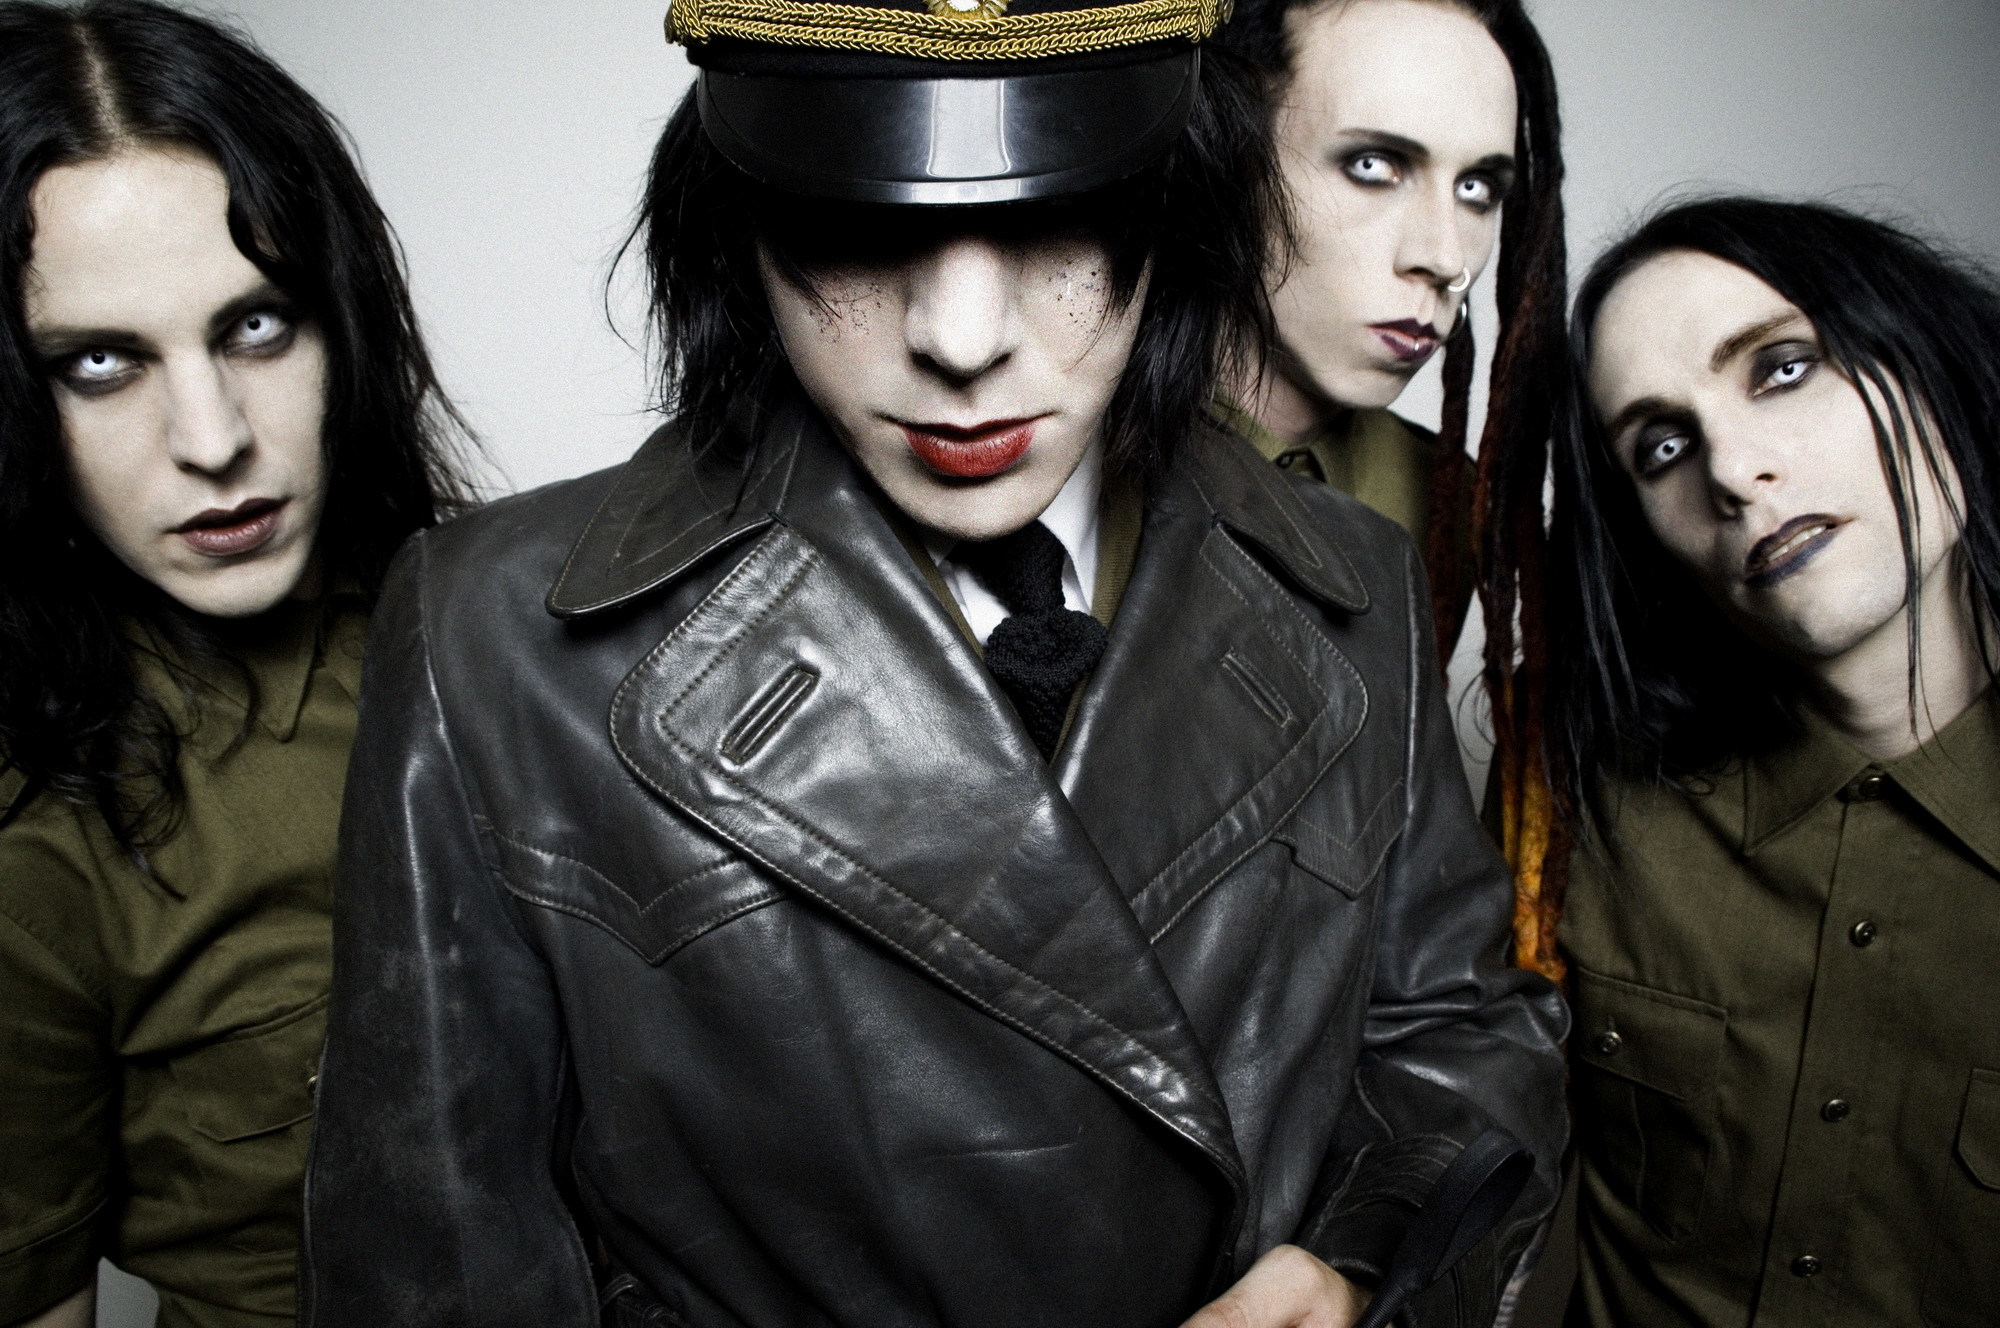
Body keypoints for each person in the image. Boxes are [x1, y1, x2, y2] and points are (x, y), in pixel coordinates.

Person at [300, 1, 1567, 1325]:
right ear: (739, 222)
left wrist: (1353, 1268)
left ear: (1173, 214)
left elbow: (1461, 1034)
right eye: (859, 226)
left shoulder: (1353, 582)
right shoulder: (489, 632)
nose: (961, 340)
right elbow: (432, 1268)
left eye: (1059, 220)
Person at [0, 3, 474, 1326]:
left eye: (257, 325)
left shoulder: (516, 621)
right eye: (100, 362)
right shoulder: (37, 829)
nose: (211, 439)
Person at [1546, 197, 2000, 1327]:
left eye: (1782, 369)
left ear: (1923, 356)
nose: (1732, 470)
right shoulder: (1585, 813)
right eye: (1661, 446)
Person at [1216, 0, 1567, 661]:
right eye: (1373, 166)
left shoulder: (1442, 503)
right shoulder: (1069, 445)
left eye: (1477, 189)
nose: (1445, 257)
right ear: (1230, 152)